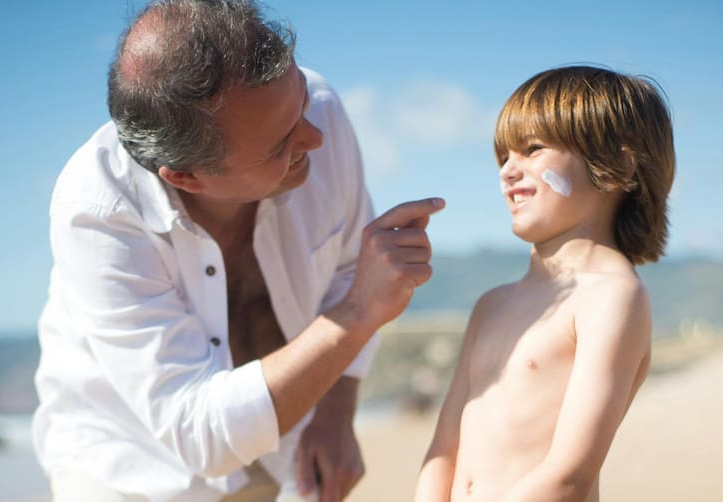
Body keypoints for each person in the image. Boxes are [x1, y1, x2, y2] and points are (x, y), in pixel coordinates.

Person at [33, 1, 444, 501]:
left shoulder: (320, 113)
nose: (315, 138)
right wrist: (359, 312)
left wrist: (336, 411)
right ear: (185, 177)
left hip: (281, 446)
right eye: (280, 144)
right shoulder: (98, 212)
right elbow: (198, 432)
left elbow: (346, 268)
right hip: (130, 470)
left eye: (303, 108)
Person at [414, 65, 675, 502]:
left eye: (532, 150)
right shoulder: (490, 306)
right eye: (504, 158)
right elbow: (443, 451)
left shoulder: (611, 297)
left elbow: (568, 475)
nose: (508, 172)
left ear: (618, 166)